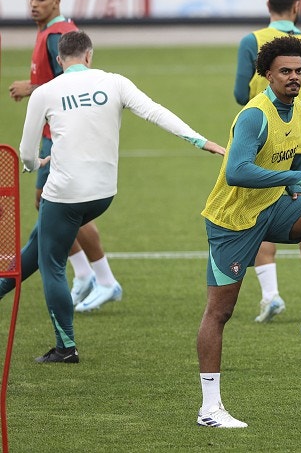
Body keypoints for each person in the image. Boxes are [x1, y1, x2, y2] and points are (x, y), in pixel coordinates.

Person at [14, 30, 225, 364]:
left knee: (51, 263)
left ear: (59, 60)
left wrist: (34, 164)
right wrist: (200, 141)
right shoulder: (114, 82)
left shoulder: (47, 91)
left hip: (65, 194)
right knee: (38, 243)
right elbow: (156, 111)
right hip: (102, 194)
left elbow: (26, 152)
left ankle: (65, 348)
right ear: (89, 56)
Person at [197, 35, 301, 428]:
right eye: (285, 71)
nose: (294, 77)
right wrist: (297, 174)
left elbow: (275, 160)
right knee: (220, 312)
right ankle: (210, 409)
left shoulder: (295, 108)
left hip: (271, 205)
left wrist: (293, 188)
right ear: (267, 74)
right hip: (233, 221)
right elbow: (237, 170)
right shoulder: (255, 114)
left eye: (299, 71)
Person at [8, 0, 123, 312]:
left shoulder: (58, 34)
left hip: (57, 139)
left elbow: (70, 84)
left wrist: (30, 89)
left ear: (56, 1)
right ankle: (87, 275)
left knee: (61, 207)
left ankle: (103, 279)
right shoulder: (49, 31)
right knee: (49, 206)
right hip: (52, 136)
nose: (33, 5)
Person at [234, 0, 301, 323]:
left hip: (265, 141)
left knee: (259, 209)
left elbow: (239, 94)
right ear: (297, 7)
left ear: (268, 6)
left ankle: (270, 294)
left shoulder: (253, 42)